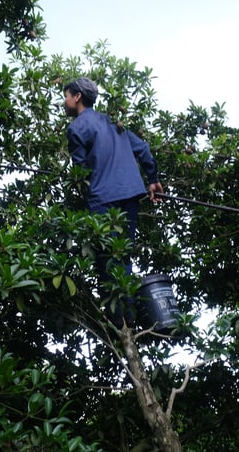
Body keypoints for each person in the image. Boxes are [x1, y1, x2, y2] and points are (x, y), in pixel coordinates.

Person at [63, 77, 164, 328]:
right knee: (122, 254)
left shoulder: (77, 128)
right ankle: (129, 313)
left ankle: (119, 317)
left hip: (103, 199)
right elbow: (143, 150)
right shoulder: (114, 125)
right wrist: (152, 180)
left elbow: (81, 171)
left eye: (66, 96)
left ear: (77, 97)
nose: (64, 101)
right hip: (130, 195)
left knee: (106, 257)